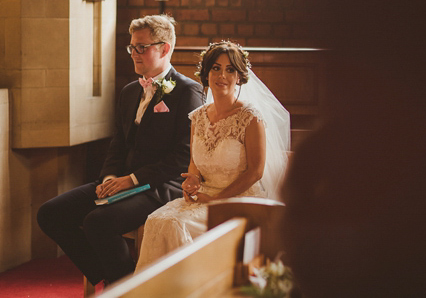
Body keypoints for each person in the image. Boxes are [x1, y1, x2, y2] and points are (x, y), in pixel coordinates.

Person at [36, 16, 204, 288]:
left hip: (159, 185)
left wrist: (133, 180)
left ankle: (119, 285)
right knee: (49, 214)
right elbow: (118, 145)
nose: (135, 54)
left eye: (142, 47)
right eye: (132, 47)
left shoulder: (188, 91)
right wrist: (108, 179)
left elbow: (182, 156)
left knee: (98, 222)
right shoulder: (129, 92)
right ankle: (116, 278)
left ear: (165, 48)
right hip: (120, 181)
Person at [135, 40, 290, 269]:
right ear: (206, 74)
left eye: (230, 69)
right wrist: (192, 181)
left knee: (175, 225)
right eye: (216, 68)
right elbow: (194, 164)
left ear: (239, 77)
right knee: (156, 221)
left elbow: (256, 171)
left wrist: (218, 201)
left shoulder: (250, 117)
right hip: (204, 198)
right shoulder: (197, 117)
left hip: (241, 200)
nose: (222, 76)